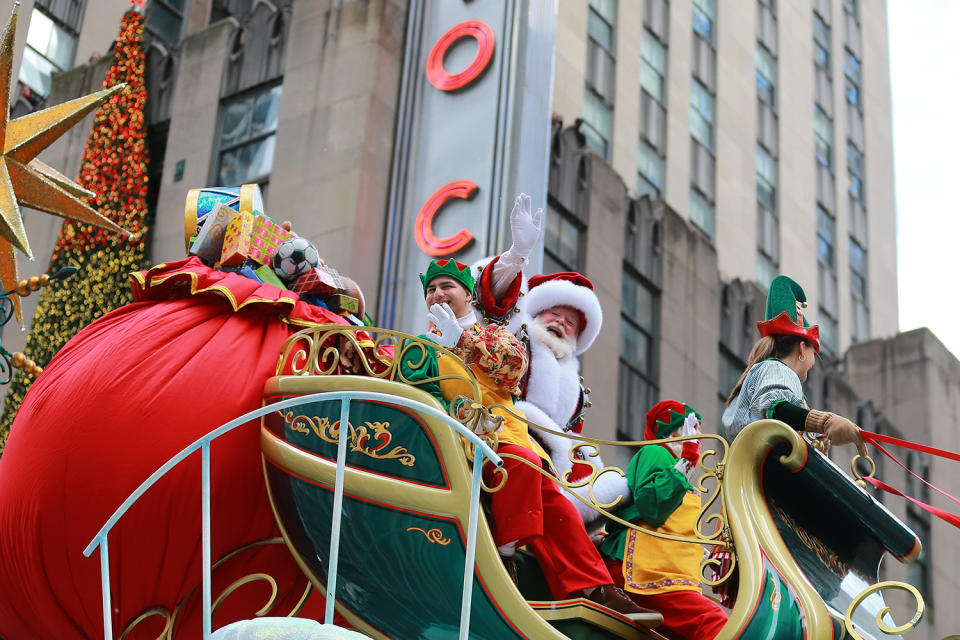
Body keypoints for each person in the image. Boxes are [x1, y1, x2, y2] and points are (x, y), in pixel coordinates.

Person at [402, 258, 653, 618]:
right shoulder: (423, 344)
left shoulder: (492, 333)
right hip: (458, 435)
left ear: (466, 296)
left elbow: (510, 367)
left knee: (552, 497)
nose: (438, 294)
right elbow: (414, 383)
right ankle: (504, 560)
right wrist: (516, 254)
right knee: (524, 463)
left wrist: (464, 340)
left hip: (507, 435)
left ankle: (595, 588)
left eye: (447, 287)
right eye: (431, 289)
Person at [472, 194, 627, 523]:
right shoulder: (519, 334)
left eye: (570, 323)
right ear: (536, 313)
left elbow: (574, 437)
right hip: (503, 439)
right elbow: (496, 302)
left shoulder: (575, 383)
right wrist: (517, 256)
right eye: (554, 314)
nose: (561, 324)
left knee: (611, 491)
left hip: (553, 467)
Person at [599, 401, 729, 640]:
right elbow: (652, 506)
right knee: (717, 625)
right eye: (693, 427)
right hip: (646, 569)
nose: (699, 435)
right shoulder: (655, 452)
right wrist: (688, 459)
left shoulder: (680, 472)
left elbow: (674, 527)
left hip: (667, 572)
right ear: (672, 431)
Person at [721, 275, 868, 458]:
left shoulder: (768, 372)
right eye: (813, 352)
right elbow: (777, 409)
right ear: (801, 348)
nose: (813, 362)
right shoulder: (777, 369)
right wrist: (825, 422)